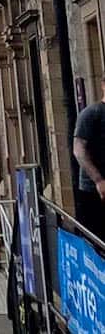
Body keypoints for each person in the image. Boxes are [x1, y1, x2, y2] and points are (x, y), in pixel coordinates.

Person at [73, 75, 105, 242]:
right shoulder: (91, 114)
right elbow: (79, 150)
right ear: (103, 86)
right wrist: (98, 180)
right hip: (93, 192)